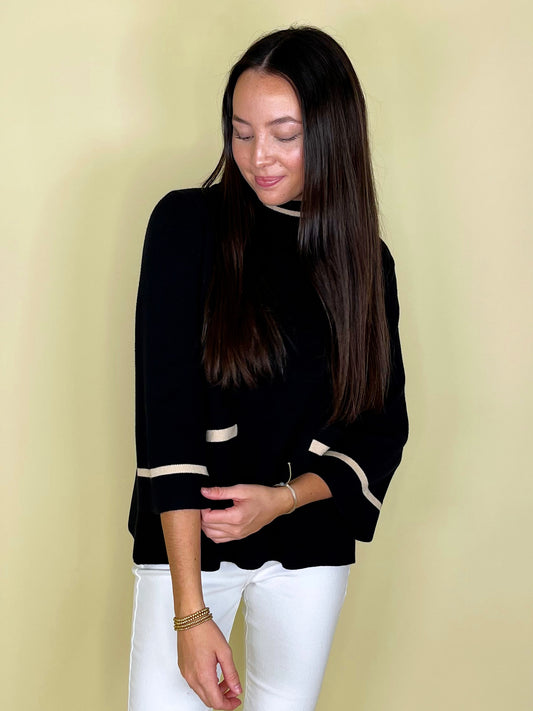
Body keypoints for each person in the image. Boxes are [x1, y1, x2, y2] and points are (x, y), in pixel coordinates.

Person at [127, 25, 408, 711]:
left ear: (332, 134)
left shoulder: (365, 261)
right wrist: (191, 614)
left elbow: (380, 426)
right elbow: (166, 416)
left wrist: (282, 499)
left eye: (285, 134)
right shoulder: (185, 224)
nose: (259, 157)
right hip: (192, 546)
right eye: (242, 132)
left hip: (309, 545)